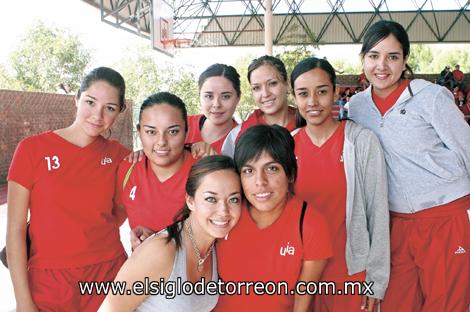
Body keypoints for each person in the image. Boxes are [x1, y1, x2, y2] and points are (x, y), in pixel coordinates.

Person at [348, 20, 470, 312]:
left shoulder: (430, 97)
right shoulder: (356, 107)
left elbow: (467, 150)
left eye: (393, 57)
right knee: (397, 304)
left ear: (404, 61)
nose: (382, 65)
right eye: (374, 56)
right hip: (395, 224)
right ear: (363, 59)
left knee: (446, 306)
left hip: (446, 217)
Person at [6, 67, 130, 311]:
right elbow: (15, 230)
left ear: (119, 112)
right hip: (49, 280)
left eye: (110, 108)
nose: (98, 115)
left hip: (109, 276)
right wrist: (23, 301)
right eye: (90, 102)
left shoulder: (122, 157)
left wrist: (198, 147)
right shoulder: (32, 149)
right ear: (76, 99)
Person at [290, 57, 390, 311]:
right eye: (303, 94)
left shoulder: (361, 142)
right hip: (300, 276)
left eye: (321, 92)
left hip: (349, 274)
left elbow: (377, 213)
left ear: (336, 92)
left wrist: (376, 280)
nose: (312, 102)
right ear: (294, 98)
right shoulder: (287, 146)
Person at [100, 155, 242, 311]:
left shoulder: (214, 248)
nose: (223, 211)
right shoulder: (160, 252)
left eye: (233, 199)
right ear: (190, 201)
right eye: (211, 199)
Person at [216, 125, 333, 311]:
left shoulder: (310, 224)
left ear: (290, 173)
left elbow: (302, 300)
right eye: (248, 171)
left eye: (271, 168)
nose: (260, 182)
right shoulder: (225, 214)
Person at [115, 92, 198, 250]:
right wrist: (138, 240)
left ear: (186, 131)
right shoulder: (127, 169)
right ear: (139, 132)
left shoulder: (206, 170)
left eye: (173, 132)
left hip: (195, 273)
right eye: (151, 132)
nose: (161, 142)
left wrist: (159, 242)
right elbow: (110, 222)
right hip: (143, 272)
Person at [222, 55, 298, 157]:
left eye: (272, 83)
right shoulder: (238, 135)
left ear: (287, 84)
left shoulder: (308, 124)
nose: (265, 93)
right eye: (256, 88)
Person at [186, 64, 240, 154]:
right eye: (209, 96)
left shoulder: (242, 140)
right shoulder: (181, 126)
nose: (216, 104)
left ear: (238, 98)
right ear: (199, 96)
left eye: (226, 96)